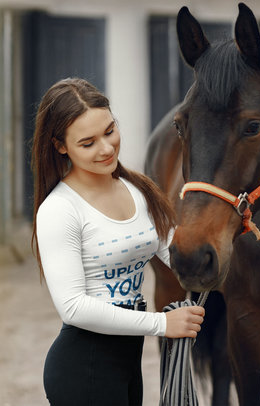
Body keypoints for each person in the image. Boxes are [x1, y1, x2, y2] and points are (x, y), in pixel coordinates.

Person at [31, 78, 205, 406]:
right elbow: (73, 308)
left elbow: (177, 255)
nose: (107, 148)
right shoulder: (59, 209)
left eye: (110, 131)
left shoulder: (137, 190)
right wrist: (161, 323)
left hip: (128, 365)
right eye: (88, 143)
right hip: (83, 370)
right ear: (60, 146)